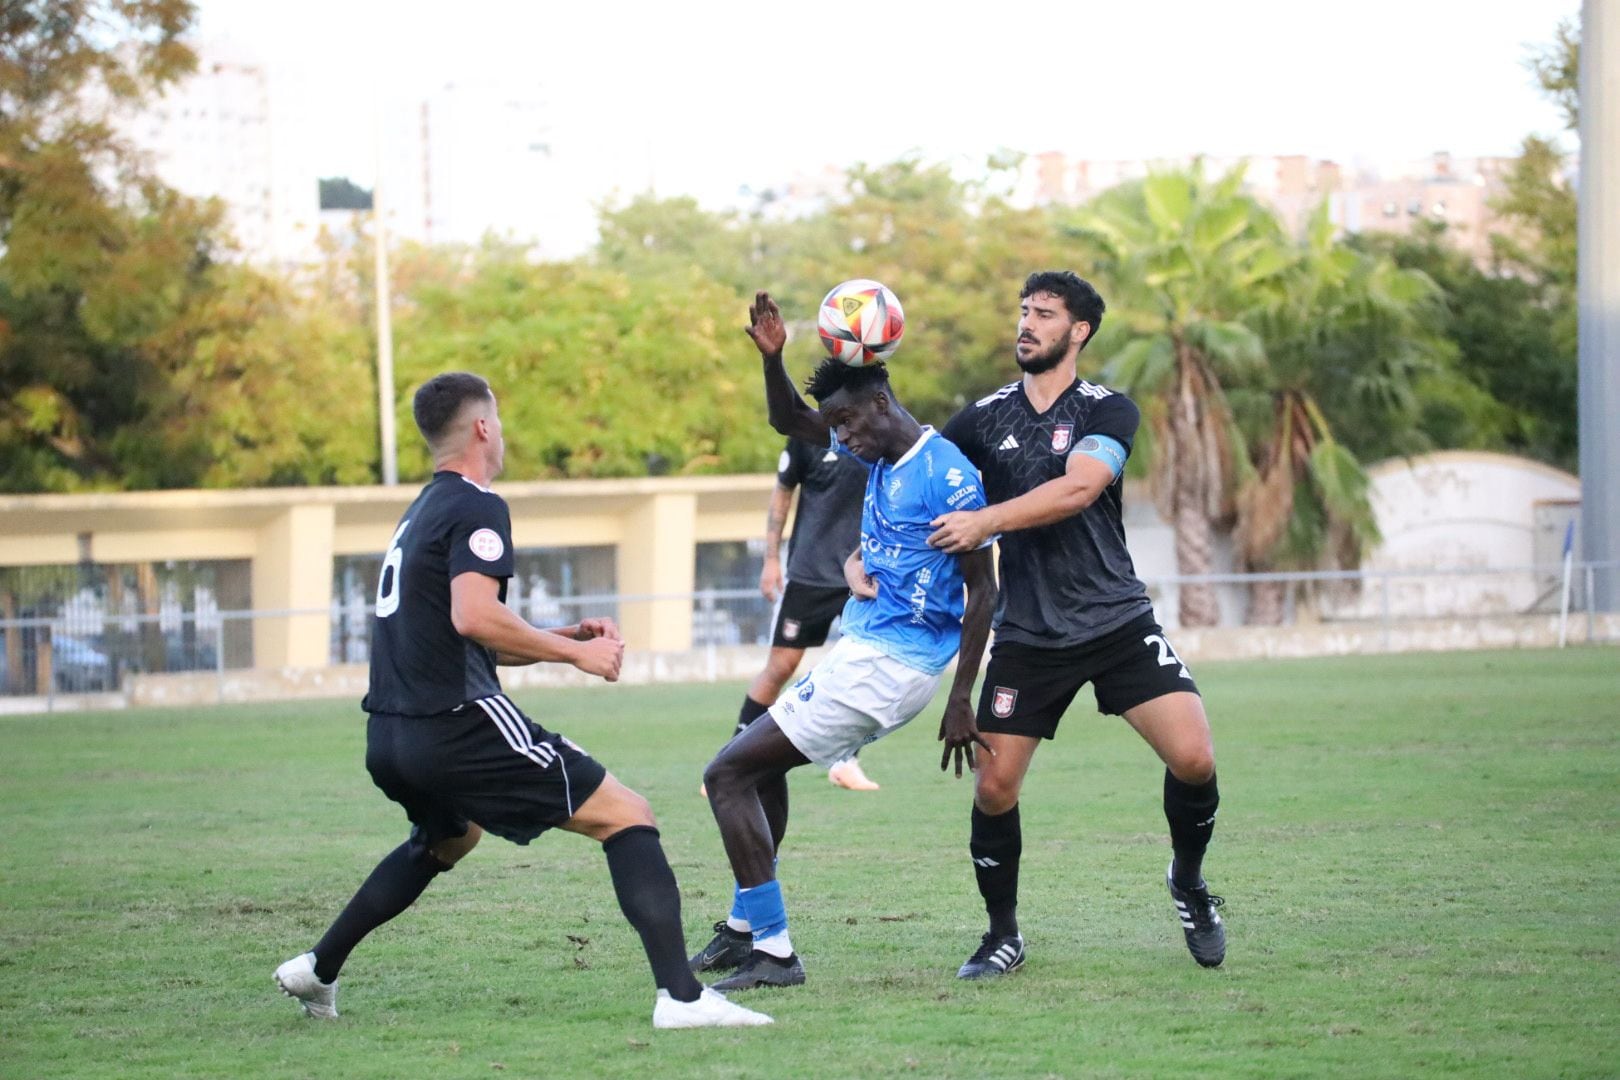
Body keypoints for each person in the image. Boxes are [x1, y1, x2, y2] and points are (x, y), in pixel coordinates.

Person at [273, 372, 771, 1030]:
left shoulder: (423, 508)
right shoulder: (479, 503)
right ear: (482, 427)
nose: (502, 433)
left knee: (449, 838)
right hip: (453, 723)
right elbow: (475, 617)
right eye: (499, 421)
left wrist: (559, 635)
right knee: (627, 814)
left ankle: (318, 968)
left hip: (390, 736)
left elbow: (462, 629)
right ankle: (681, 999)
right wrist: (577, 655)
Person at [689, 291, 998, 991]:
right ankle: (747, 930)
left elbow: (984, 590)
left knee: (726, 775)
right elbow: (785, 419)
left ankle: (773, 951)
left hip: (889, 667)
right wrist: (773, 359)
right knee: (756, 770)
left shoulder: (945, 473)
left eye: (847, 424)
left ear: (881, 403)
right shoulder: (881, 458)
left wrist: (961, 700)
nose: (840, 440)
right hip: (863, 652)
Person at [929, 270, 1225, 978]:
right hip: (1028, 634)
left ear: (1079, 331)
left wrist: (986, 523)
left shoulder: (1108, 410)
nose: (1026, 323)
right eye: (1023, 310)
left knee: (1195, 760)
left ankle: (1187, 881)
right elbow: (919, 479)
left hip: (1115, 619)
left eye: (1044, 314)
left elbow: (1080, 487)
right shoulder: (981, 417)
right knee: (994, 790)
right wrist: (862, 550)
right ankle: (1003, 935)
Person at [736, 436, 879, 791]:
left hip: (862, 574)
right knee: (780, 667)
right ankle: (734, 757)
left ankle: (847, 762)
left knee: (862, 670)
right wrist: (771, 559)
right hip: (809, 575)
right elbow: (782, 492)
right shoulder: (806, 437)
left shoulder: (878, 431)